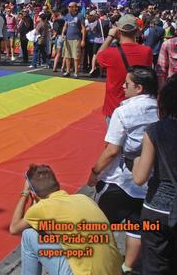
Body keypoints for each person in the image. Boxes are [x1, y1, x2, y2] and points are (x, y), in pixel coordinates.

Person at [88, 66, 159, 274]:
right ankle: (127, 267)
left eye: (127, 84)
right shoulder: (160, 109)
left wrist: (95, 172)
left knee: (99, 223)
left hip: (122, 180)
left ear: (138, 87)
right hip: (149, 180)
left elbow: (112, 150)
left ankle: (100, 264)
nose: (122, 86)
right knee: (136, 228)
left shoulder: (124, 111)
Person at [9, 164, 122, 275]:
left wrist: (25, 193)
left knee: (28, 235)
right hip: (114, 270)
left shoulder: (43, 207)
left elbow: (14, 228)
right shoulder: (84, 199)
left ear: (34, 193)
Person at [133, 75, 177, 275]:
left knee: (154, 265)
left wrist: (135, 163)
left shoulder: (155, 130)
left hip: (156, 210)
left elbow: (139, 178)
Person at [96, 14, 153, 122]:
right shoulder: (146, 51)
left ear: (119, 31)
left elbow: (98, 57)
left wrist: (110, 36)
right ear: (137, 31)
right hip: (136, 107)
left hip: (114, 107)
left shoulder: (110, 53)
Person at [61, 2, 86, 78]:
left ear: (75, 7)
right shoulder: (68, 16)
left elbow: (83, 28)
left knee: (76, 56)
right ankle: (68, 71)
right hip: (68, 39)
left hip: (76, 39)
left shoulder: (80, 16)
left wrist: (83, 40)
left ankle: (76, 72)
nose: (68, 8)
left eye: (70, 6)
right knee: (67, 56)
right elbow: (65, 26)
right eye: (68, 6)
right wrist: (63, 33)